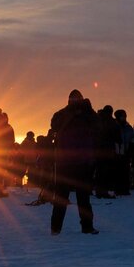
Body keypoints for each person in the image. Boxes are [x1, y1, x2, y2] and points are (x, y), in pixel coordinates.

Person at [49, 90, 99, 235]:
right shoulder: (62, 114)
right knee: (62, 197)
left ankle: (87, 227)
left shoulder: (88, 115)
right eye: (73, 99)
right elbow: (54, 125)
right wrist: (69, 112)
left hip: (82, 162)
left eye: (78, 99)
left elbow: (98, 127)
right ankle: (55, 228)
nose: (76, 102)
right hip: (66, 162)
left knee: (83, 198)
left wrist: (89, 110)